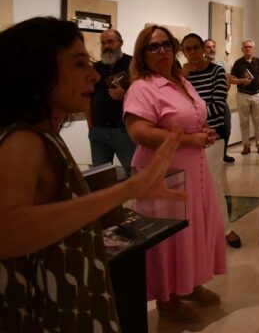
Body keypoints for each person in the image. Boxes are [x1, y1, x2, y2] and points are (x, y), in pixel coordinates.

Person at [0, 17, 183, 332]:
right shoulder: (24, 140)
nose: (94, 75)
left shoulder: (40, 136)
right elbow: (8, 231)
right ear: (38, 70)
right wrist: (127, 189)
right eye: (78, 64)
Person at [124, 25, 226, 324]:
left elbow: (191, 118)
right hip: (162, 173)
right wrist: (187, 139)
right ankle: (168, 299)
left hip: (193, 170)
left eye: (166, 45)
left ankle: (188, 283)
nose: (162, 51)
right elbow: (138, 131)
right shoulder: (142, 87)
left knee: (191, 230)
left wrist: (202, 132)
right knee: (167, 237)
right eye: (153, 47)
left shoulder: (181, 80)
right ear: (142, 54)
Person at [182, 34, 242, 249]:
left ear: (202, 49)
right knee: (189, 186)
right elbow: (174, 105)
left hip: (212, 136)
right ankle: (197, 229)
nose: (192, 53)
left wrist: (188, 114)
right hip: (187, 138)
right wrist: (182, 80)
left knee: (211, 182)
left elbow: (217, 106)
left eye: (195, 48)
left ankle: (224, 228)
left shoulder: (216, 71)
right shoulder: (181, 76)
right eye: (187, 49)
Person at [87, 28, 136, 171]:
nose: (106, 46)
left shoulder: (133, 65)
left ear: (121, 43)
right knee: (101, 178)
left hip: (124, 132)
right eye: (103, 43)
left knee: (134, 174)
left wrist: (125, 95)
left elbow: (144, 96)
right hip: (98, 132)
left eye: (110, 42)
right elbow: (87, 97)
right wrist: (91, 125)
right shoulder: (95, 68)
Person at [230, 39, 259, 155]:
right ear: (242, 49)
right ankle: (246, 145)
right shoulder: (238, 63)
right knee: (244, 122)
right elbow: (231, 79)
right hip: (243, 95)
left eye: (250, 47)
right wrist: (242, 81)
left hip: (257, 95)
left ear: (253, 49)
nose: (247, 49)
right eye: (245, 47)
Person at [203, 38, 235, 163]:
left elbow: (228, 80)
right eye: (208, 47)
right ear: (203, 50)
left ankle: (223, 153)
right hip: (206, 104)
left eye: (213, 46)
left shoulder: (222, 63)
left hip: (221, 102)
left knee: (226, 128)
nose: (211, 49)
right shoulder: (201, 65)